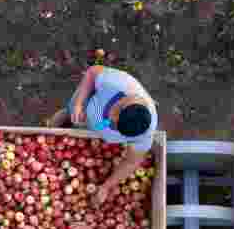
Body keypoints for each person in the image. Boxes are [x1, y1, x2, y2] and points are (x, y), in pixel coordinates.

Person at [45, 65, 158, 207]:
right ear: (124, 103)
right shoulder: (119, 83)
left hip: (95, 127)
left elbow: (131, 162)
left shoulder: (145, 132)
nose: (109, 121)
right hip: (86, 105)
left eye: (114, 127)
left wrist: (106, 186)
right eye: (114, 118)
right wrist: (79, 105)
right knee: (67, 113)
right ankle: (51, 128)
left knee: (88, 127)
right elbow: (92, 73)